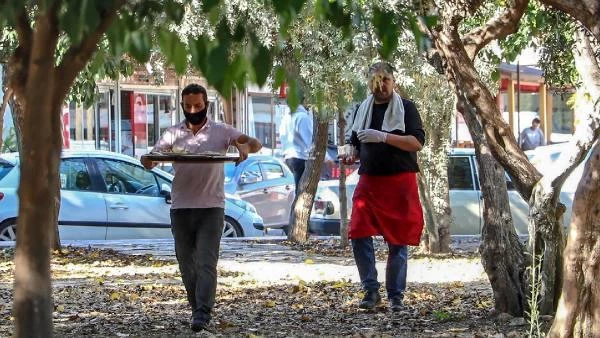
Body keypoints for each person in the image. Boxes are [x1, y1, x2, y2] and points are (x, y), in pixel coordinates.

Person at [141, 84, 262, 332]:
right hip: (181, 208)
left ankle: (202, 314)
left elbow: (253, 143)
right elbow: (152, 157)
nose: (193, 110)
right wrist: (148, 160)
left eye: (197, 105)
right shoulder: (173, 133)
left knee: (207, 262)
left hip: (212, 208)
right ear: (182, 105)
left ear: (206, 103)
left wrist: (244, 145)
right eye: (188, 106)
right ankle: (197, 308)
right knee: (187, 263)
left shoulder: (220, 131)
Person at [339, 61, 425, 312]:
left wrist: (385, 136)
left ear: (394, 81)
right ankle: (371, 290)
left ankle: (396, 296)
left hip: (400, 181)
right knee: (358, 232)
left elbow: (417, 142)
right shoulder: (362, 110)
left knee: (398, 240)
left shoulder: (406, 108)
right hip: (369, 180)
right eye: (377, 79)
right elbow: (354, 145)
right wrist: (350, 155)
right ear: (370, 83)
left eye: (386, 79)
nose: (382, 84)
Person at [280, 95, 313, 193]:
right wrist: (326, 157)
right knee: (302, 193)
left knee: (297, 192)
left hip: (288, 158)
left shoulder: (286, 118)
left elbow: (282, 137)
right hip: (300, 157)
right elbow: (309, 140)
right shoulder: (302, 117)